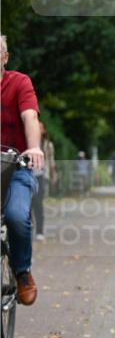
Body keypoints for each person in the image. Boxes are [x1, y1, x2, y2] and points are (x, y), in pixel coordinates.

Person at [0, 34, 45, 305]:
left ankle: (22, 271)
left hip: (15, 166)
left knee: (17, 216)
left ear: (4, 57)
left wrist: (34, 148)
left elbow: (30, 115)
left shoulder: (19, 82)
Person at [31, 122, 57, 241]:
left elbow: (51, 161)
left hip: (40, 176)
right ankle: (28, 231)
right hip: (28, 175)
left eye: (41, 127)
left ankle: (40, 231)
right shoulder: (28, 141)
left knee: (38, 204)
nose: (38, 128)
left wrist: (53, 174)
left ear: (44, 131)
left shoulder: (47, 145)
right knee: (27, 205)